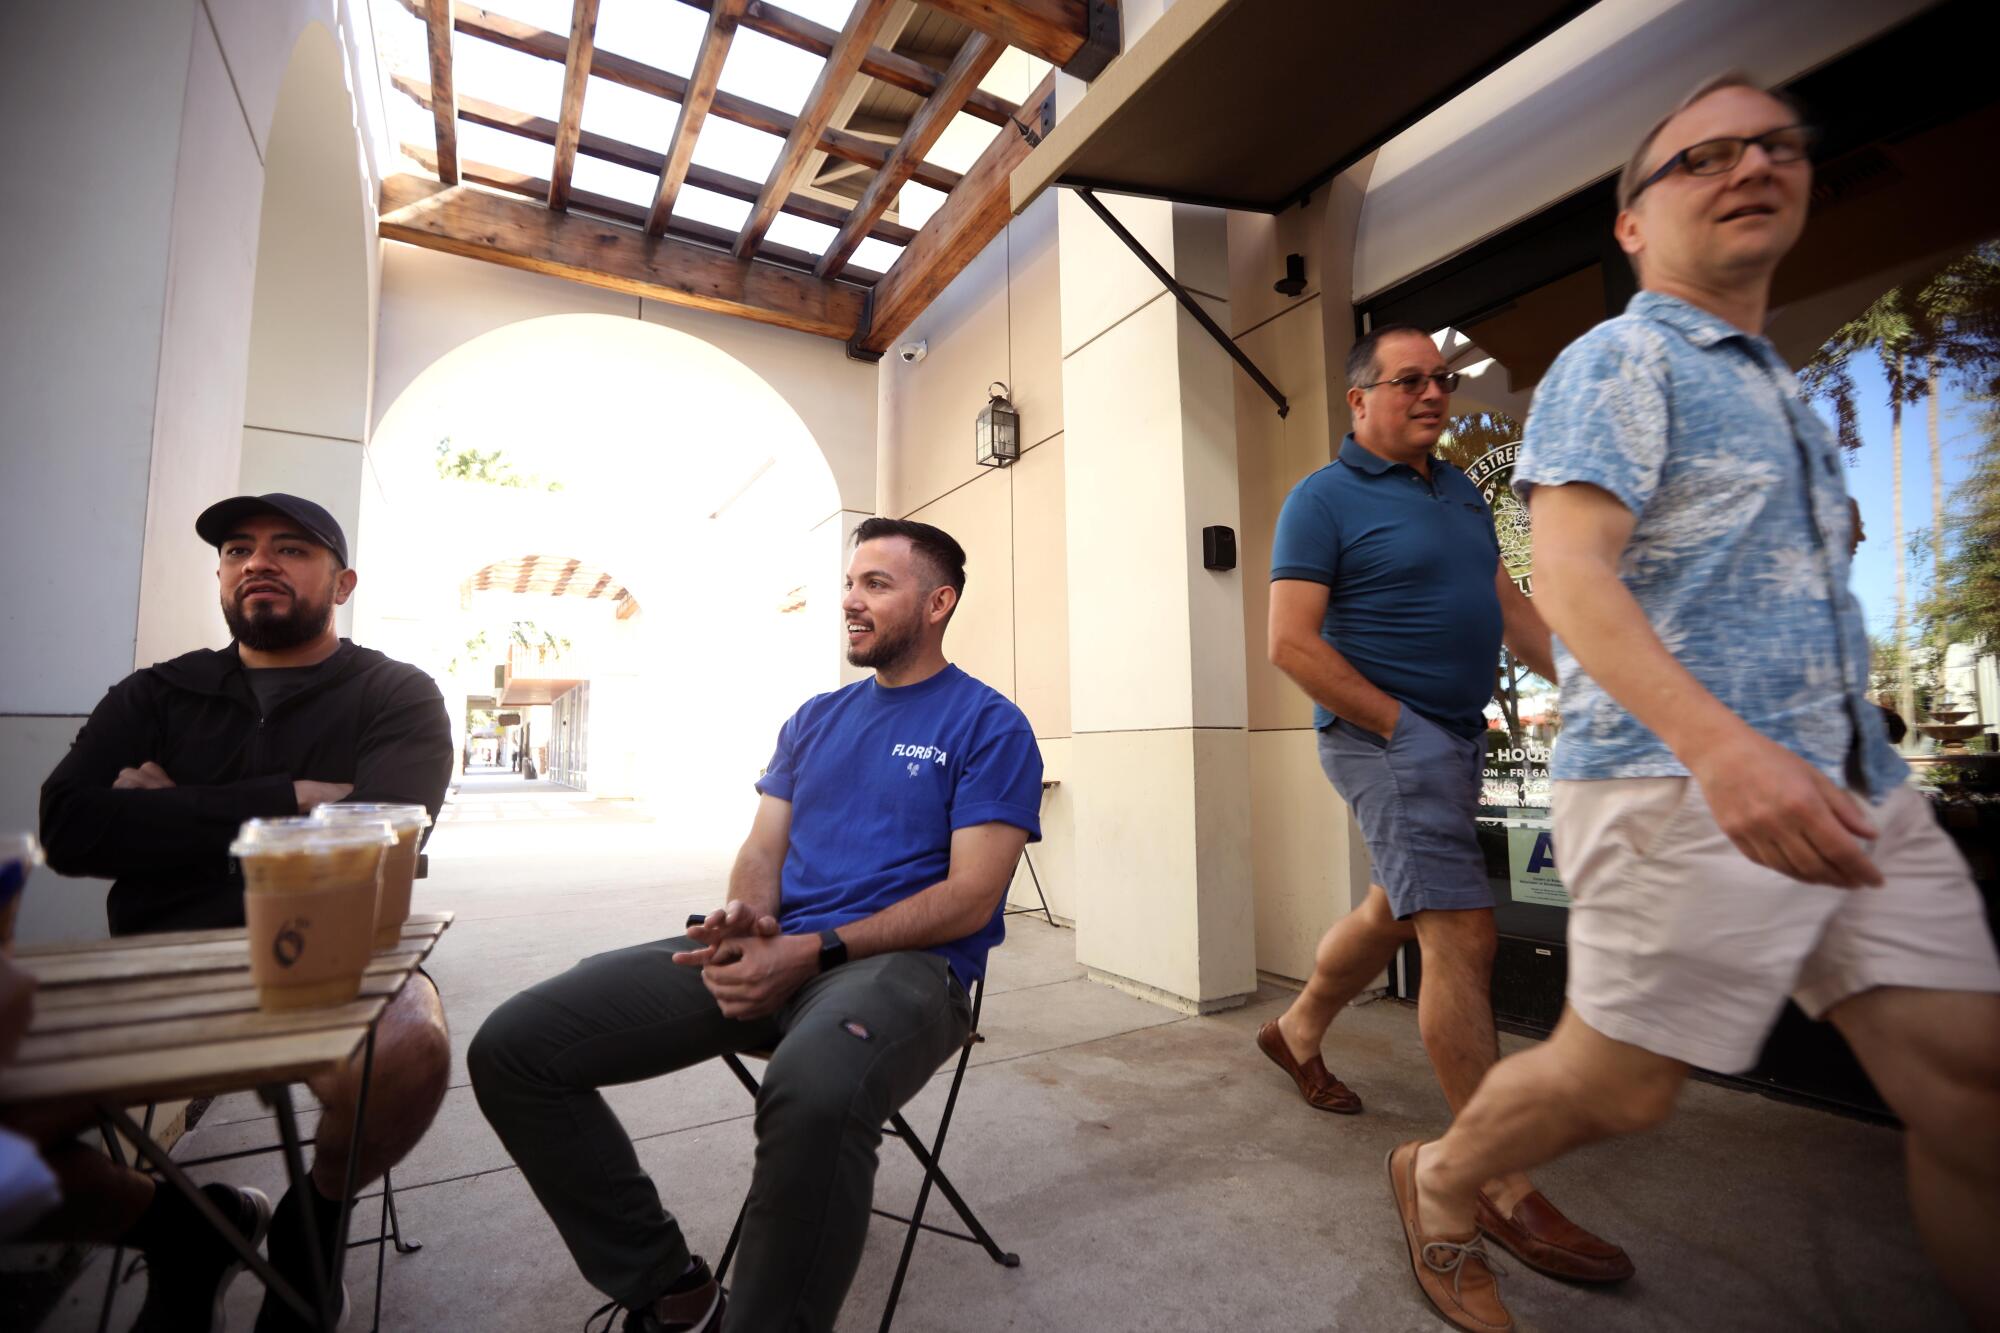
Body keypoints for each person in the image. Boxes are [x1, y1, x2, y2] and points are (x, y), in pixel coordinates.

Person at [1387, 74, 2000, 1333]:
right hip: (1682, 781)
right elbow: (1560, 575)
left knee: (1969, 1084)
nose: (1747, 168)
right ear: (1629, 224)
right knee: (1620, 1088)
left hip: (1853, 793)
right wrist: (1722, 749)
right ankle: (1441, 1174)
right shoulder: (1621, 357)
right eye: (1700, 158)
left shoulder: (1783, 394)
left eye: (1774, 148)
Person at [469, 518, 1044, 1333]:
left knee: (813, 1091)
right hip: (779, 947)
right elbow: (762, 845)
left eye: (877, 584)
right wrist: (751, 915)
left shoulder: (989, 723)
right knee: (517, 1045)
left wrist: (815, 948)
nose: (850, 599)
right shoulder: (815, 717)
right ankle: (671, 1287)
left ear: (939, 601)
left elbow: (971, 898)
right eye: (850, 582)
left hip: (907, 969)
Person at [1262, 326, 1631, 1288]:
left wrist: (1595, 684)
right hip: (1389, 739)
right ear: (1358, 399)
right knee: (1461, 933)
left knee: (1398, 904)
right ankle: (1494, 1178)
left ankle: (1296, 1031)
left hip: (1453, 738)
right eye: (1411, 380)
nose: (1435, 392)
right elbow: (1290, 644)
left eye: (1444, 377)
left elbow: (1506, 600)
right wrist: (1400, 725)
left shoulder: (1459, 488)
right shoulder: (1322, 499)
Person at [32, 493, 455, 1331]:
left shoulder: (395, 693)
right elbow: (69, 828)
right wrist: (288, 799)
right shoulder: (155, 693)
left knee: (409, 1050)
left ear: (342, 584)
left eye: (290, 548)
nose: (257, 561)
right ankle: (183, 1225)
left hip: (335, 955)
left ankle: (309, 1230)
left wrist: (171, 809)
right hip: (159, 959)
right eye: (237, 548)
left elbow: (381, 830)